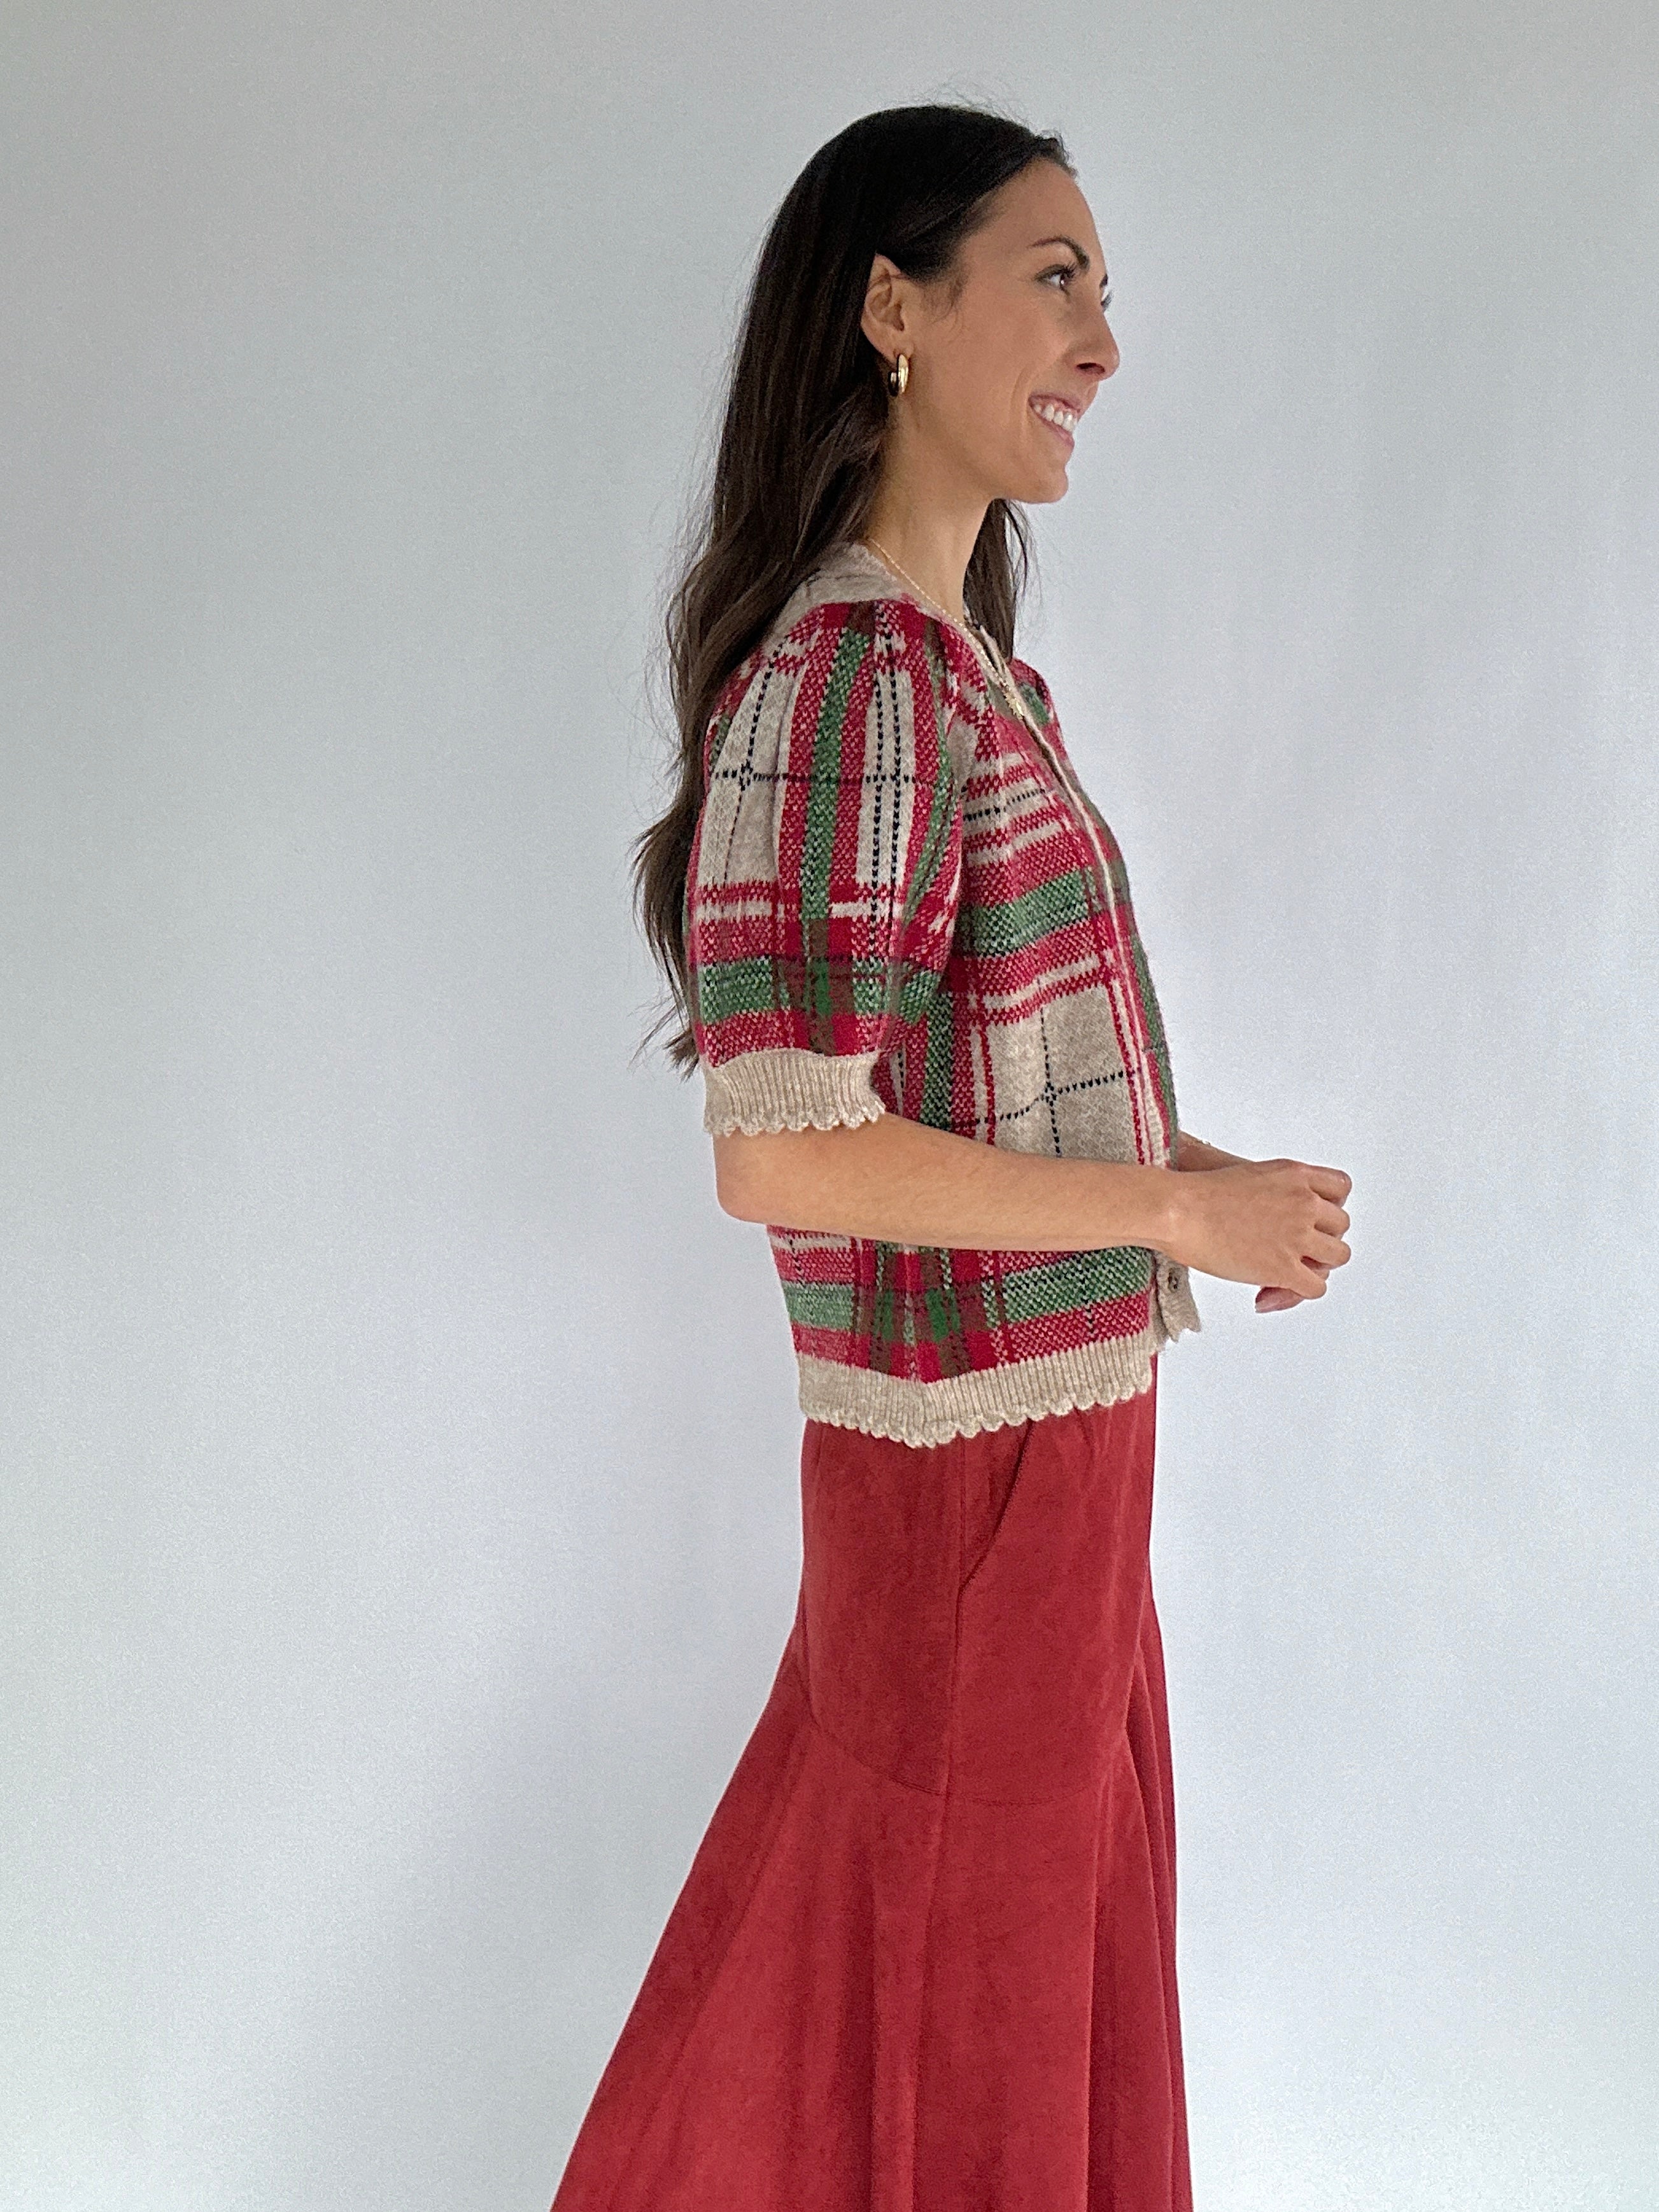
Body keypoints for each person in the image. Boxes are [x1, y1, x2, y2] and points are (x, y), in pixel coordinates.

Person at [551, 101, 1353, 2212]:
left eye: (1108, 294)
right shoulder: (854, 679)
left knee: (982, 1991)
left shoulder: (974, 678)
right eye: (1059, 279)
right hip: (964, 1488)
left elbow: (990, 1091)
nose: (1101, 344)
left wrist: (1203, 1166)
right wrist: (1180, 1209)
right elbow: (789, 1152)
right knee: (953, 2019)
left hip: (1050, 1466)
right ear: (893, 308)